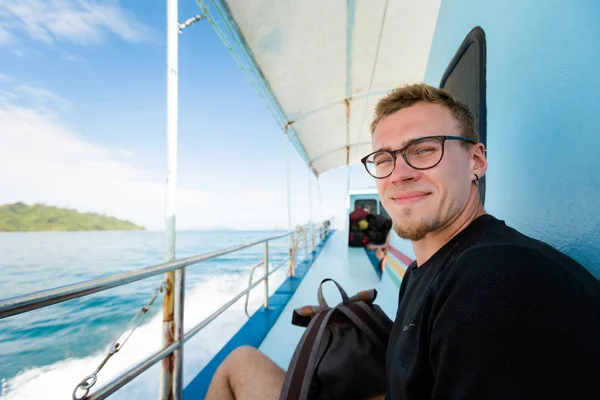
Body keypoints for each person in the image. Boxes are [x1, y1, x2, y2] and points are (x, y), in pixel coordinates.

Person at [205, 83, 600, 399]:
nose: (399, 174)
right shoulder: (424, 270)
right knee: (241, 362)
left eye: (424, 150)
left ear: (476, 161)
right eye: (384, 159)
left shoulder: (497, 282)